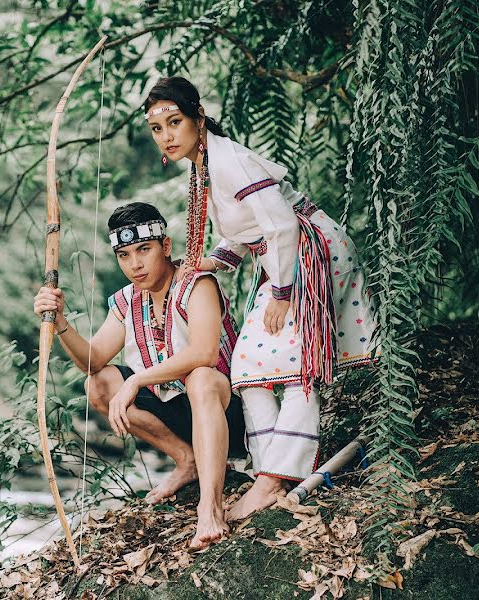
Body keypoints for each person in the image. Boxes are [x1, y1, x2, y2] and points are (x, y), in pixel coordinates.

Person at [143, 76, 378, 521]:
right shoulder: (205, 164)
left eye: (175, 122)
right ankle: (267, 469)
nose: (167, 135)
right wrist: (212, 262)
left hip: (309, 254)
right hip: (280, 260)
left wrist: (284, 294)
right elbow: (246, 231)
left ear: (198, 119)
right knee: (249, 366)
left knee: (295, 368)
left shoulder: (229, 162)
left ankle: (275, 479)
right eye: (158, 128)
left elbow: (283, 225)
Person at [33, 202, 247, 549]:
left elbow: (205, 353)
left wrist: (136, 379)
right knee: (98, 384)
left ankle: (210, 506)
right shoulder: (125, 301)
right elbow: (93, 360)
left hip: (226, 412)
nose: (135, 264)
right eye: (124, 255)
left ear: (165, 246)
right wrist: (60, 323)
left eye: (143, 250)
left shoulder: (197, 284)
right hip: (179, 414)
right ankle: (186, 460)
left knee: (201, 378)